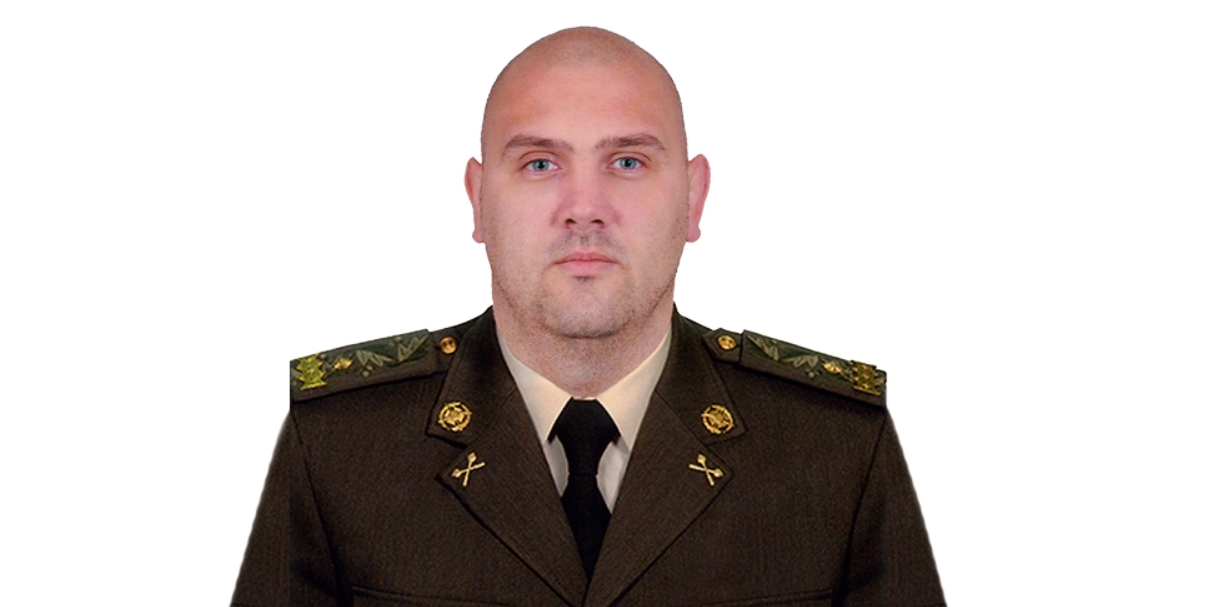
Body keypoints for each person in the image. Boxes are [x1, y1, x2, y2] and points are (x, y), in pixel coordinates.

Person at [233, 27, 944, 607]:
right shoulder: (340, 445)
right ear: (478, 201)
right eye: (540, 164)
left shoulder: (832, 448)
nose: (584, 208)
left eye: (627, 162)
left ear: (692, 198)